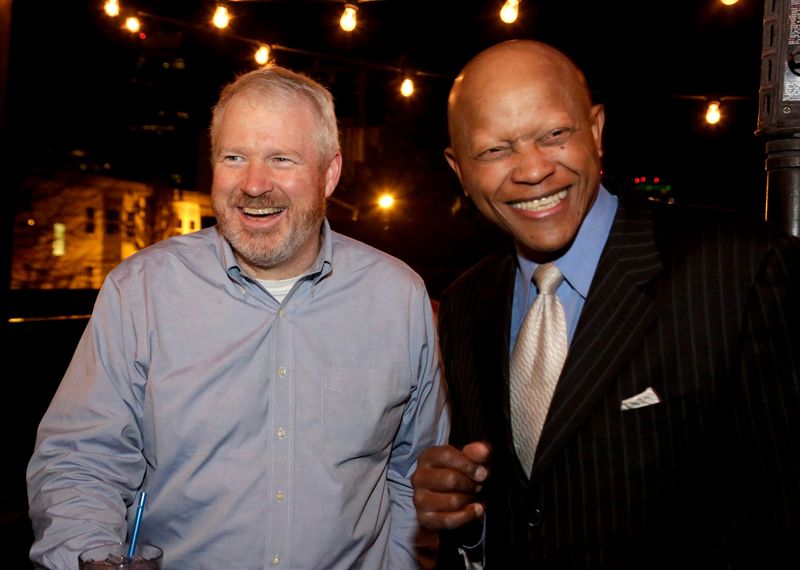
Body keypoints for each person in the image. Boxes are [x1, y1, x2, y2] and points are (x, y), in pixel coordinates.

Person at [27, 65, 448, 570]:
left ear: (330, 173)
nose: (253, 184)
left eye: (281, 159)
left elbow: (414, 474)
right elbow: (81, 461)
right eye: (234, 158)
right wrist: (91, 557)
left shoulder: (397, 297)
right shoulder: (140, 291)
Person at [411, 39, 800, 569]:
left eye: (554, 135)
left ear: (594, 131)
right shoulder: (466, 304)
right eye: (495, 150)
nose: (531, 170)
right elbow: (520, 502)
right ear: (459, 168)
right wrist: (466, 517)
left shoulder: (738, 269)